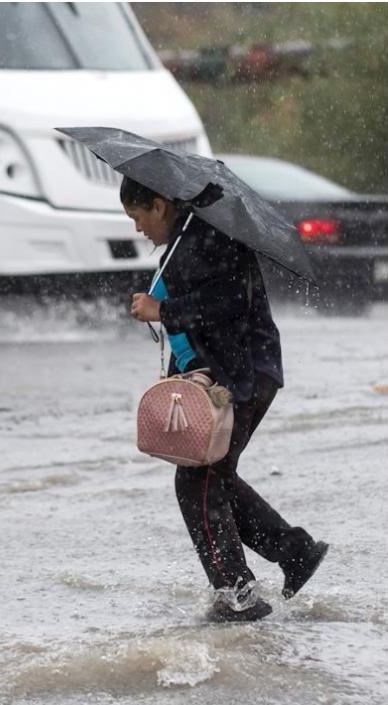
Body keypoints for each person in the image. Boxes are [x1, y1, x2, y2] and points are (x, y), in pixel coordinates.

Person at [122, 175, 328, 623]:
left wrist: (165, 311)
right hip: (242, 372)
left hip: (241, 377)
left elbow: (226, 304)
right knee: (215, 478)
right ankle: (294, 551)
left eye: (137, 217)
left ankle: (236, 595)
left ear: (159, 205)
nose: (138, 229)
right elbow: (207, 306)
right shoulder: (187, 239)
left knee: (197, 482)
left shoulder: (204, 238)